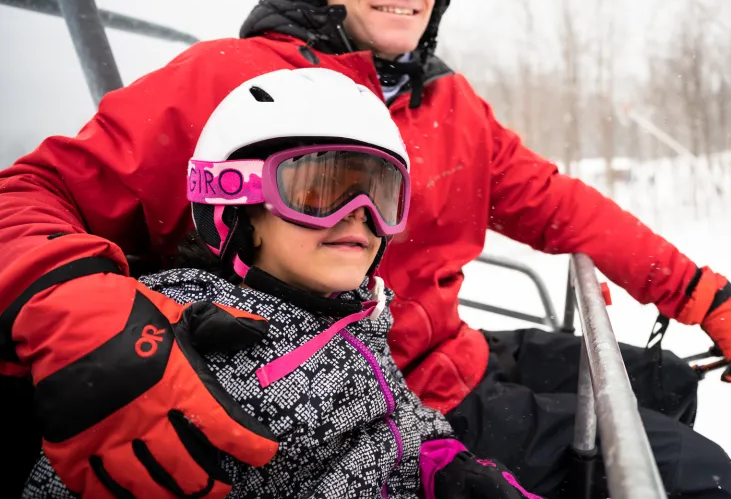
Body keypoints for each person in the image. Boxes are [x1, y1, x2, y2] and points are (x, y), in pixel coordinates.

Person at [0, 0, 731, 497]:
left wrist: (697, 292)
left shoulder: (449, 102)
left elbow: (556, 204)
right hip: (368, 392)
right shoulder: (237, 83)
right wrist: (82, 312)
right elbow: (30, 196)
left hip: (455, 352)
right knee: (693, 474)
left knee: (665, 379)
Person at [20, 68, 539, 499]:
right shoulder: (186, 350)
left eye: (377, 195)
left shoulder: (352, 311)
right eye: (318, 191)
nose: (357, 217)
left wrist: (435, 463)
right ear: (237, 208)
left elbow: (383, 415)